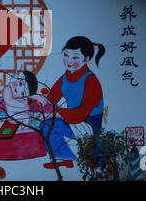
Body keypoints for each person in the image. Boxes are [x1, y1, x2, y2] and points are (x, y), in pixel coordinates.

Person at [38, 36, 105, 169]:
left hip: (89, 124)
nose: (68, 61)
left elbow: (82, 112)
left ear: (86, 59)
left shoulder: (91, 80)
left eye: (74, 58)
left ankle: (74, 156)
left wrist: (55, 114)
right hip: (73, 120)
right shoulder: (66, 76)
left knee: (48, 124)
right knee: (45, 125)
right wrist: (39, 101)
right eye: (66, 55)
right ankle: (65, 158)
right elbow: (52, 97)